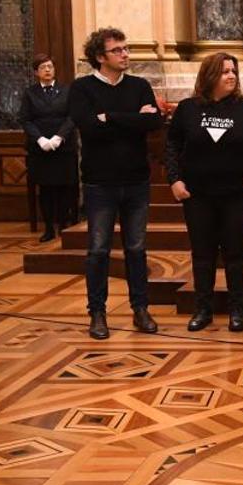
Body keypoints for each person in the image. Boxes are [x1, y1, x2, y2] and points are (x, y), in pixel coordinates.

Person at [67, 28, 163, 340]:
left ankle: (140, 308)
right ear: (100, 56)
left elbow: (153, 122)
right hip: (100, 183)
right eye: (117, 50)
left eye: (126, 48)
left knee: (136, 248)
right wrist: (132, 118)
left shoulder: (139, 85)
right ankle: (97, 313)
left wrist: (110, 117)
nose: (125, 54)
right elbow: (89, 128)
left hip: (136, 180)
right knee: (98, 250)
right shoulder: (82, 88)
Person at [165, 53, 243, 334]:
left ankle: (237, 310)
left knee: (236, 254)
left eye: (233, 71)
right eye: (225, 71)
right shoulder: (188, 108)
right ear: (210, 75)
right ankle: (203, 309)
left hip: (236, 194)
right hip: (197, 195)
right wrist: (174, 180)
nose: (231, 75)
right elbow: (172, 145)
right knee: (203, 254)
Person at [18, 55, 78, 242]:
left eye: (50, 66)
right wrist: (40, 139)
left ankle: (64, 225)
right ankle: (49, 228)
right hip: (41, 150)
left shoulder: (67, 90)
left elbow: (72, 116)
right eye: (43, 67)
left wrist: (59, 137)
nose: (47, 70)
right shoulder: (30, 93)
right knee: (46, 189)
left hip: (64, 148)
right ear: (36, 72)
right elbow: (25, 120)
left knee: (65, 187)